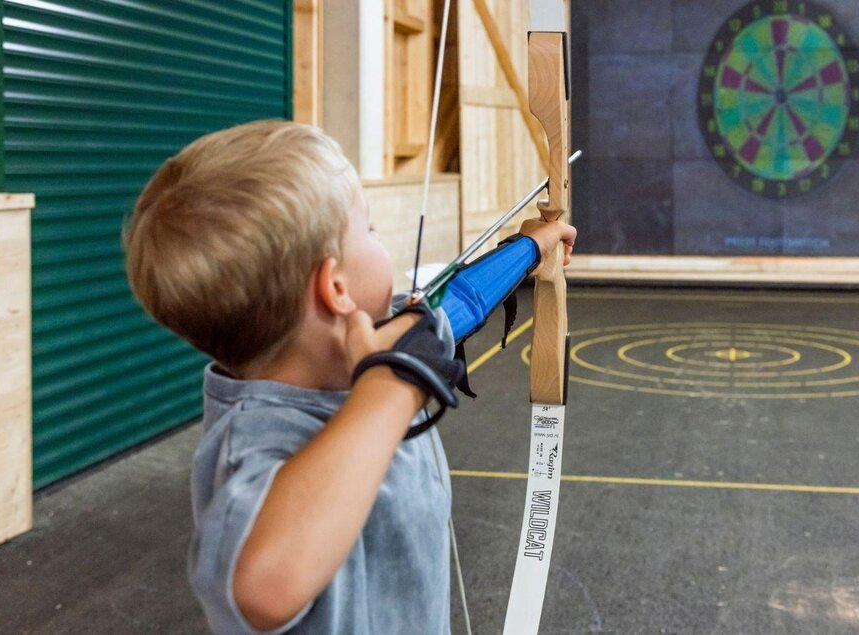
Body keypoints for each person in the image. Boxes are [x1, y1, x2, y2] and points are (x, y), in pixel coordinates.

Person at [123, 120, 575, 634]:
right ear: (336, 286)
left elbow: (459, 305)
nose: (381, 240)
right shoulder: (254, 443)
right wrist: (390, 387)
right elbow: (262, 586)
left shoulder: (381, 351)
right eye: (371, 230)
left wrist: (531, 250)